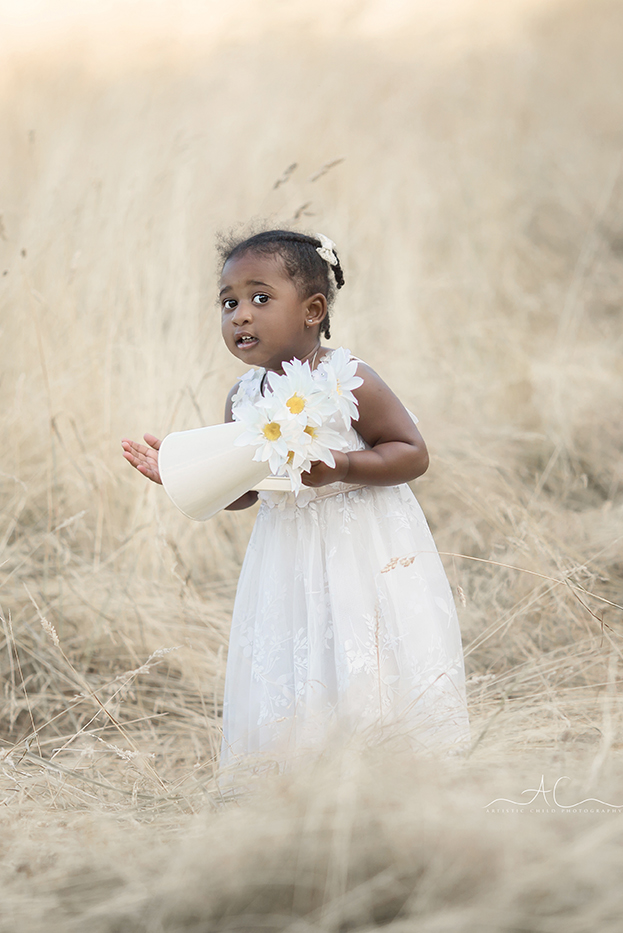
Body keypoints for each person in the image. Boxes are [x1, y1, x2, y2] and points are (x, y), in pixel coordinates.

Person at [122, 230, 469, 774]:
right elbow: (247, 489)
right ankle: (301, 778)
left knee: (364, 650)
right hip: (286, 555)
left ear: (313, 310)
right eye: (229, 302)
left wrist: (346, 465)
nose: (241, 315)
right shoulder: (244, 398)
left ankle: (386, 770)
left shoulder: (349, 380)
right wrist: (188, 475)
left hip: (362, 545)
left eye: (261, 299)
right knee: (295, 651)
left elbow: (412, 453)